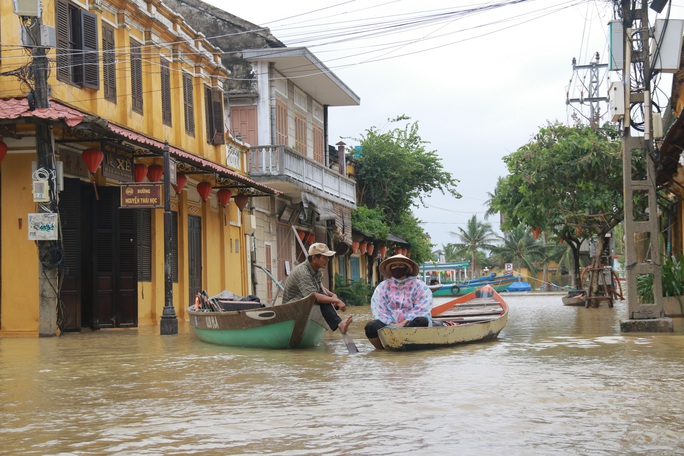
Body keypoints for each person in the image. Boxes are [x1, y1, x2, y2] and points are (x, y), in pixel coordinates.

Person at [365, 254, 433, 349]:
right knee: (371, 326)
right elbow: (379, 308)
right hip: (389, 325)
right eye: (394, 266)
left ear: (407, 268)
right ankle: (384, 350)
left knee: (421, 321)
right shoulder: (383, 287)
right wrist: (392, 324)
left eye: (400, 265)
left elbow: (422, 307)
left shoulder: (419, 286)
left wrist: (405, 322)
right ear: (390, 269)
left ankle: (409, 347)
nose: (397, 268)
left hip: (410, 323)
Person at [282, 242, 352, 334]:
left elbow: (320, 288)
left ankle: (335, 322)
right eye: (324, 257)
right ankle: (339, 323)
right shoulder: (303, 272)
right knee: (324, 298)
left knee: (335, 300)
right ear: (314, 258)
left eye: (328, 257)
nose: (327, 260)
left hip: (304, 303)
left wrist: (334, 296)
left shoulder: (317, 270)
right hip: (292, 307)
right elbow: (314, 296)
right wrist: (334, 300)